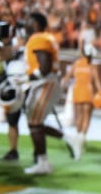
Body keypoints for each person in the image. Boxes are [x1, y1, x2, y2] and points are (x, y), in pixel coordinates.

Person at [22, 12, 80, 175]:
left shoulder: (38, 38)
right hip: (47, 82)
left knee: (34, 123)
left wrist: (29, 76)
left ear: (35, 24)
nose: (25, 25)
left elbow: (45, 65)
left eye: (29, 22)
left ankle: (43, 162)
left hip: (44, 83)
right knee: (35, 123)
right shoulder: (46, 37)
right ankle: (62, 142)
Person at [61, 43, 101, 159]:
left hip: (77, 92)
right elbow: (97, 81)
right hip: (87, 92)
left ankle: (77, 139)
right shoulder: (92, 66)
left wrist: (61, 85)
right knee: (86, 117)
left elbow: (67, 77)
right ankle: (81, 140)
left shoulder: (76, 64)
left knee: (79, 117)